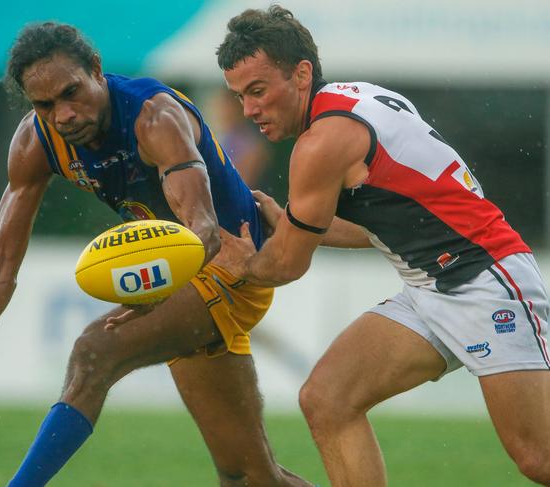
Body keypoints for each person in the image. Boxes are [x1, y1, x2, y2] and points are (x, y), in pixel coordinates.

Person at [0, 22, 314, 487]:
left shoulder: (153, 118)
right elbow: (1, 268)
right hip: (182, 280)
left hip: (229, 266)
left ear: (97, 71)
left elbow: (203, 231)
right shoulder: (35, 142)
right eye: (44, 105)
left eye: (71, 93)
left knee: (93, 352)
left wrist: (151, 293)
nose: (62, 115)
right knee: (249, 478)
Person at [214, 5, 550, 486]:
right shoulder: (359, 97)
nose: (249, 110)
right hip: (433, 282)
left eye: (259, 91)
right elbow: (383, 229)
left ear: (302, 73)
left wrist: (241, 263)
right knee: (328, 400)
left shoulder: (322, 142)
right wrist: (288, 222)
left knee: (538, 459)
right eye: (240, 95)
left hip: (484, 279)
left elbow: (287, 264)